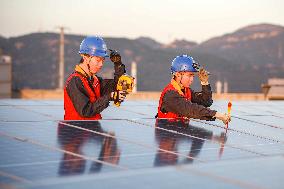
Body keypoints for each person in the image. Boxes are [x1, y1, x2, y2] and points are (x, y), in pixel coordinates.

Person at [64, 36, 127, 120]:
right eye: (98, 60)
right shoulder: (75, 81)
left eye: (103, 60)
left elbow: (116, 85)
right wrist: (109, 96)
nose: (101, 64)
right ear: (85, 57)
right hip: (76, 131)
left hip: (92, 129)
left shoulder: (95, 80)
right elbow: (85, 111)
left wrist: (118, 64)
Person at [156, 54, 231, 125]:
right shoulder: (170, 94)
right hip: (168, 135)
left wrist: (204, 83)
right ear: (178, 75)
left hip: (179, 132)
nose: (192, 79)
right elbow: (190, 109)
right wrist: (217, 114)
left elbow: (206, 102)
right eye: (189, 75)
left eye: (193, 76)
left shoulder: (186, 91)